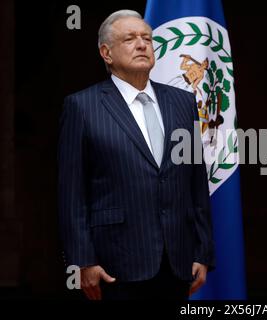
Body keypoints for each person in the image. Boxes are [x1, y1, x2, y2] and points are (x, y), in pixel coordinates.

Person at [57, 9, 215, 300]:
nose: (142, 44)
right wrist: (83, 260)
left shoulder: (182, 102)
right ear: (106, 53)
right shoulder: (82, 107)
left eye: (147, 38)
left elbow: (196, 181)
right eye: (130, 39)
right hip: (114, 264)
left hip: (177, 262)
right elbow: (72, 194)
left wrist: (203, 251)